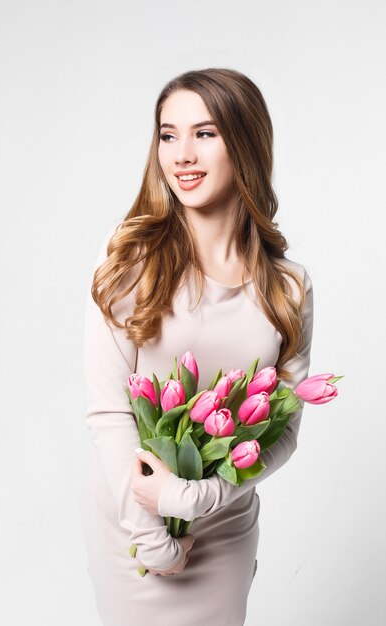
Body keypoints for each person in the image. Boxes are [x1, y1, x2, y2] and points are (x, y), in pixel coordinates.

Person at [80, 67, 314, 626]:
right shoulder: (129, 261)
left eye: (205, 133)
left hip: (224, 526)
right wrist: (153, 533)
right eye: (168, 134)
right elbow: (110, 415)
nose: (181, 154)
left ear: (246, 142)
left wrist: (196, 500)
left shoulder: (288, 287)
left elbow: (281, 434)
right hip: (130, 529)